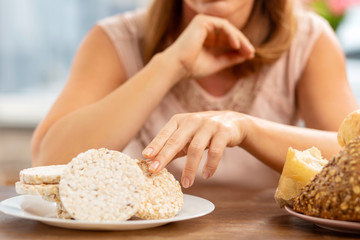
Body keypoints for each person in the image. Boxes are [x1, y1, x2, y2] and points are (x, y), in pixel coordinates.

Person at [31, 0, 358, 189]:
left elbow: (352, 159)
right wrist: (172, 63)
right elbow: (48, 162)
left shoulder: (310, 40)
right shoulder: (115, 39)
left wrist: (244, 128)